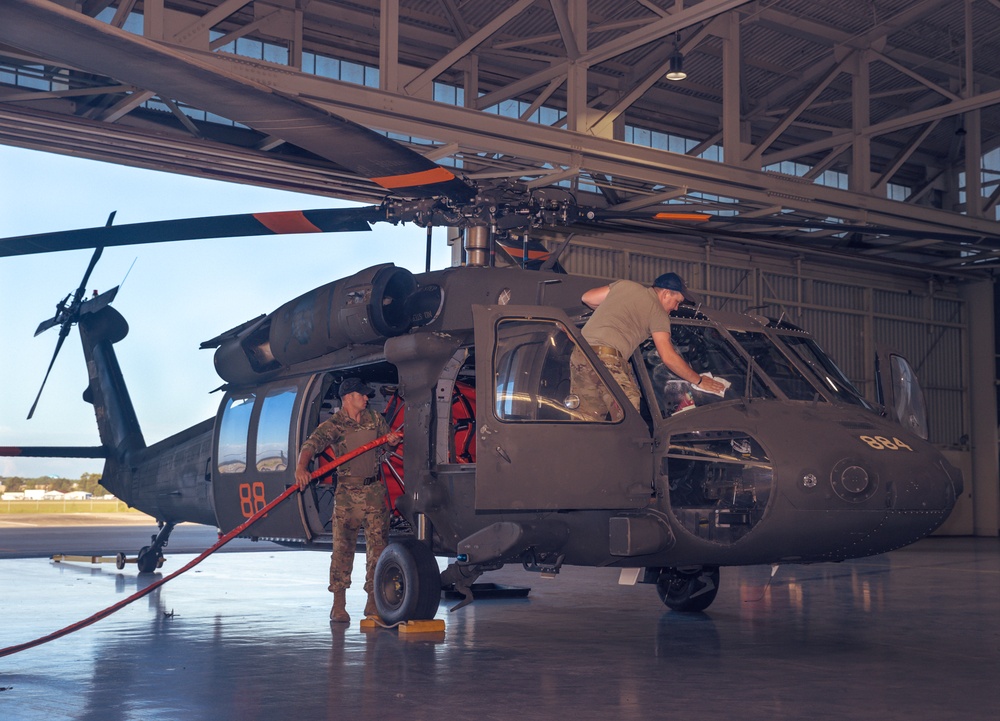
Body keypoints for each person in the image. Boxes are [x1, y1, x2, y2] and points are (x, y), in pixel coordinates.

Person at [294, 377, 402, 624]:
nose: (367, 398)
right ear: (348, 398)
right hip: (347, 494)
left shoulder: (375, 419)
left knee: (378, 549)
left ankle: (373, 603)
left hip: (374, 490)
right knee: (343, 549)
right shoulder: (335, 425)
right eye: (362, 395)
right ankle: (338, 605)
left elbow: (387, 446)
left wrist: (392, 442)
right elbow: (310, 445)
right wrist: (301, 468)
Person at [571, 272, 726, 420]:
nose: (676, 307)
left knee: (587, 418)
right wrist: (699, 380)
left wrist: (614, 310)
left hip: (580, 354)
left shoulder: (625, 286)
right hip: (606, 357)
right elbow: (668, 357)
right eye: (677, 301)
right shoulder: (658, 312)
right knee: (628, 411)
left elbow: (587, 298)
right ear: (666, 294)